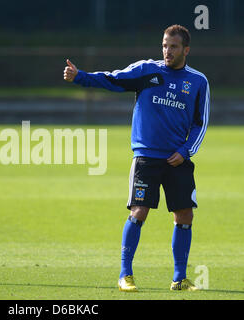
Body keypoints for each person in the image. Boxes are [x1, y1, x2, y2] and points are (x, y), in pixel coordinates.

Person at [63, 25, 210, 291]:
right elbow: (112, 79)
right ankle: (125, 275)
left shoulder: (198, 81)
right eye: (165, 45)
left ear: (186, 50)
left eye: (174, 46)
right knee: (139, 211)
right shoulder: (147, 70)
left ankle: (179, 279)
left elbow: (201, 123)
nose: (168, 51)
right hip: (146, 158)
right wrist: (80, 77)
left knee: (185, 215)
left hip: (178, 159)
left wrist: (186, 150)